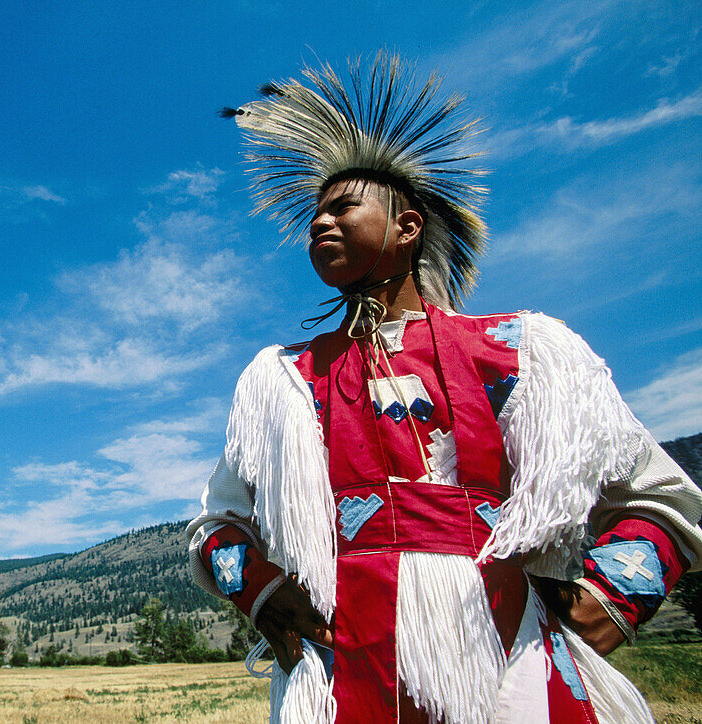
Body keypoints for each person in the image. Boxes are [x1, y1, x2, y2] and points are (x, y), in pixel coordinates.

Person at [187, 54, 702, 723]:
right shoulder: (283, 382)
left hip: (509, 663)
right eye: (314, 216)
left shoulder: (523, 354)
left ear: (408, 227)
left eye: (344, 207)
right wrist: (261, 592)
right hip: (348, 670)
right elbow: (215, 526)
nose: (320, 224)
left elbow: (660, 497)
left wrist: (610, 599)